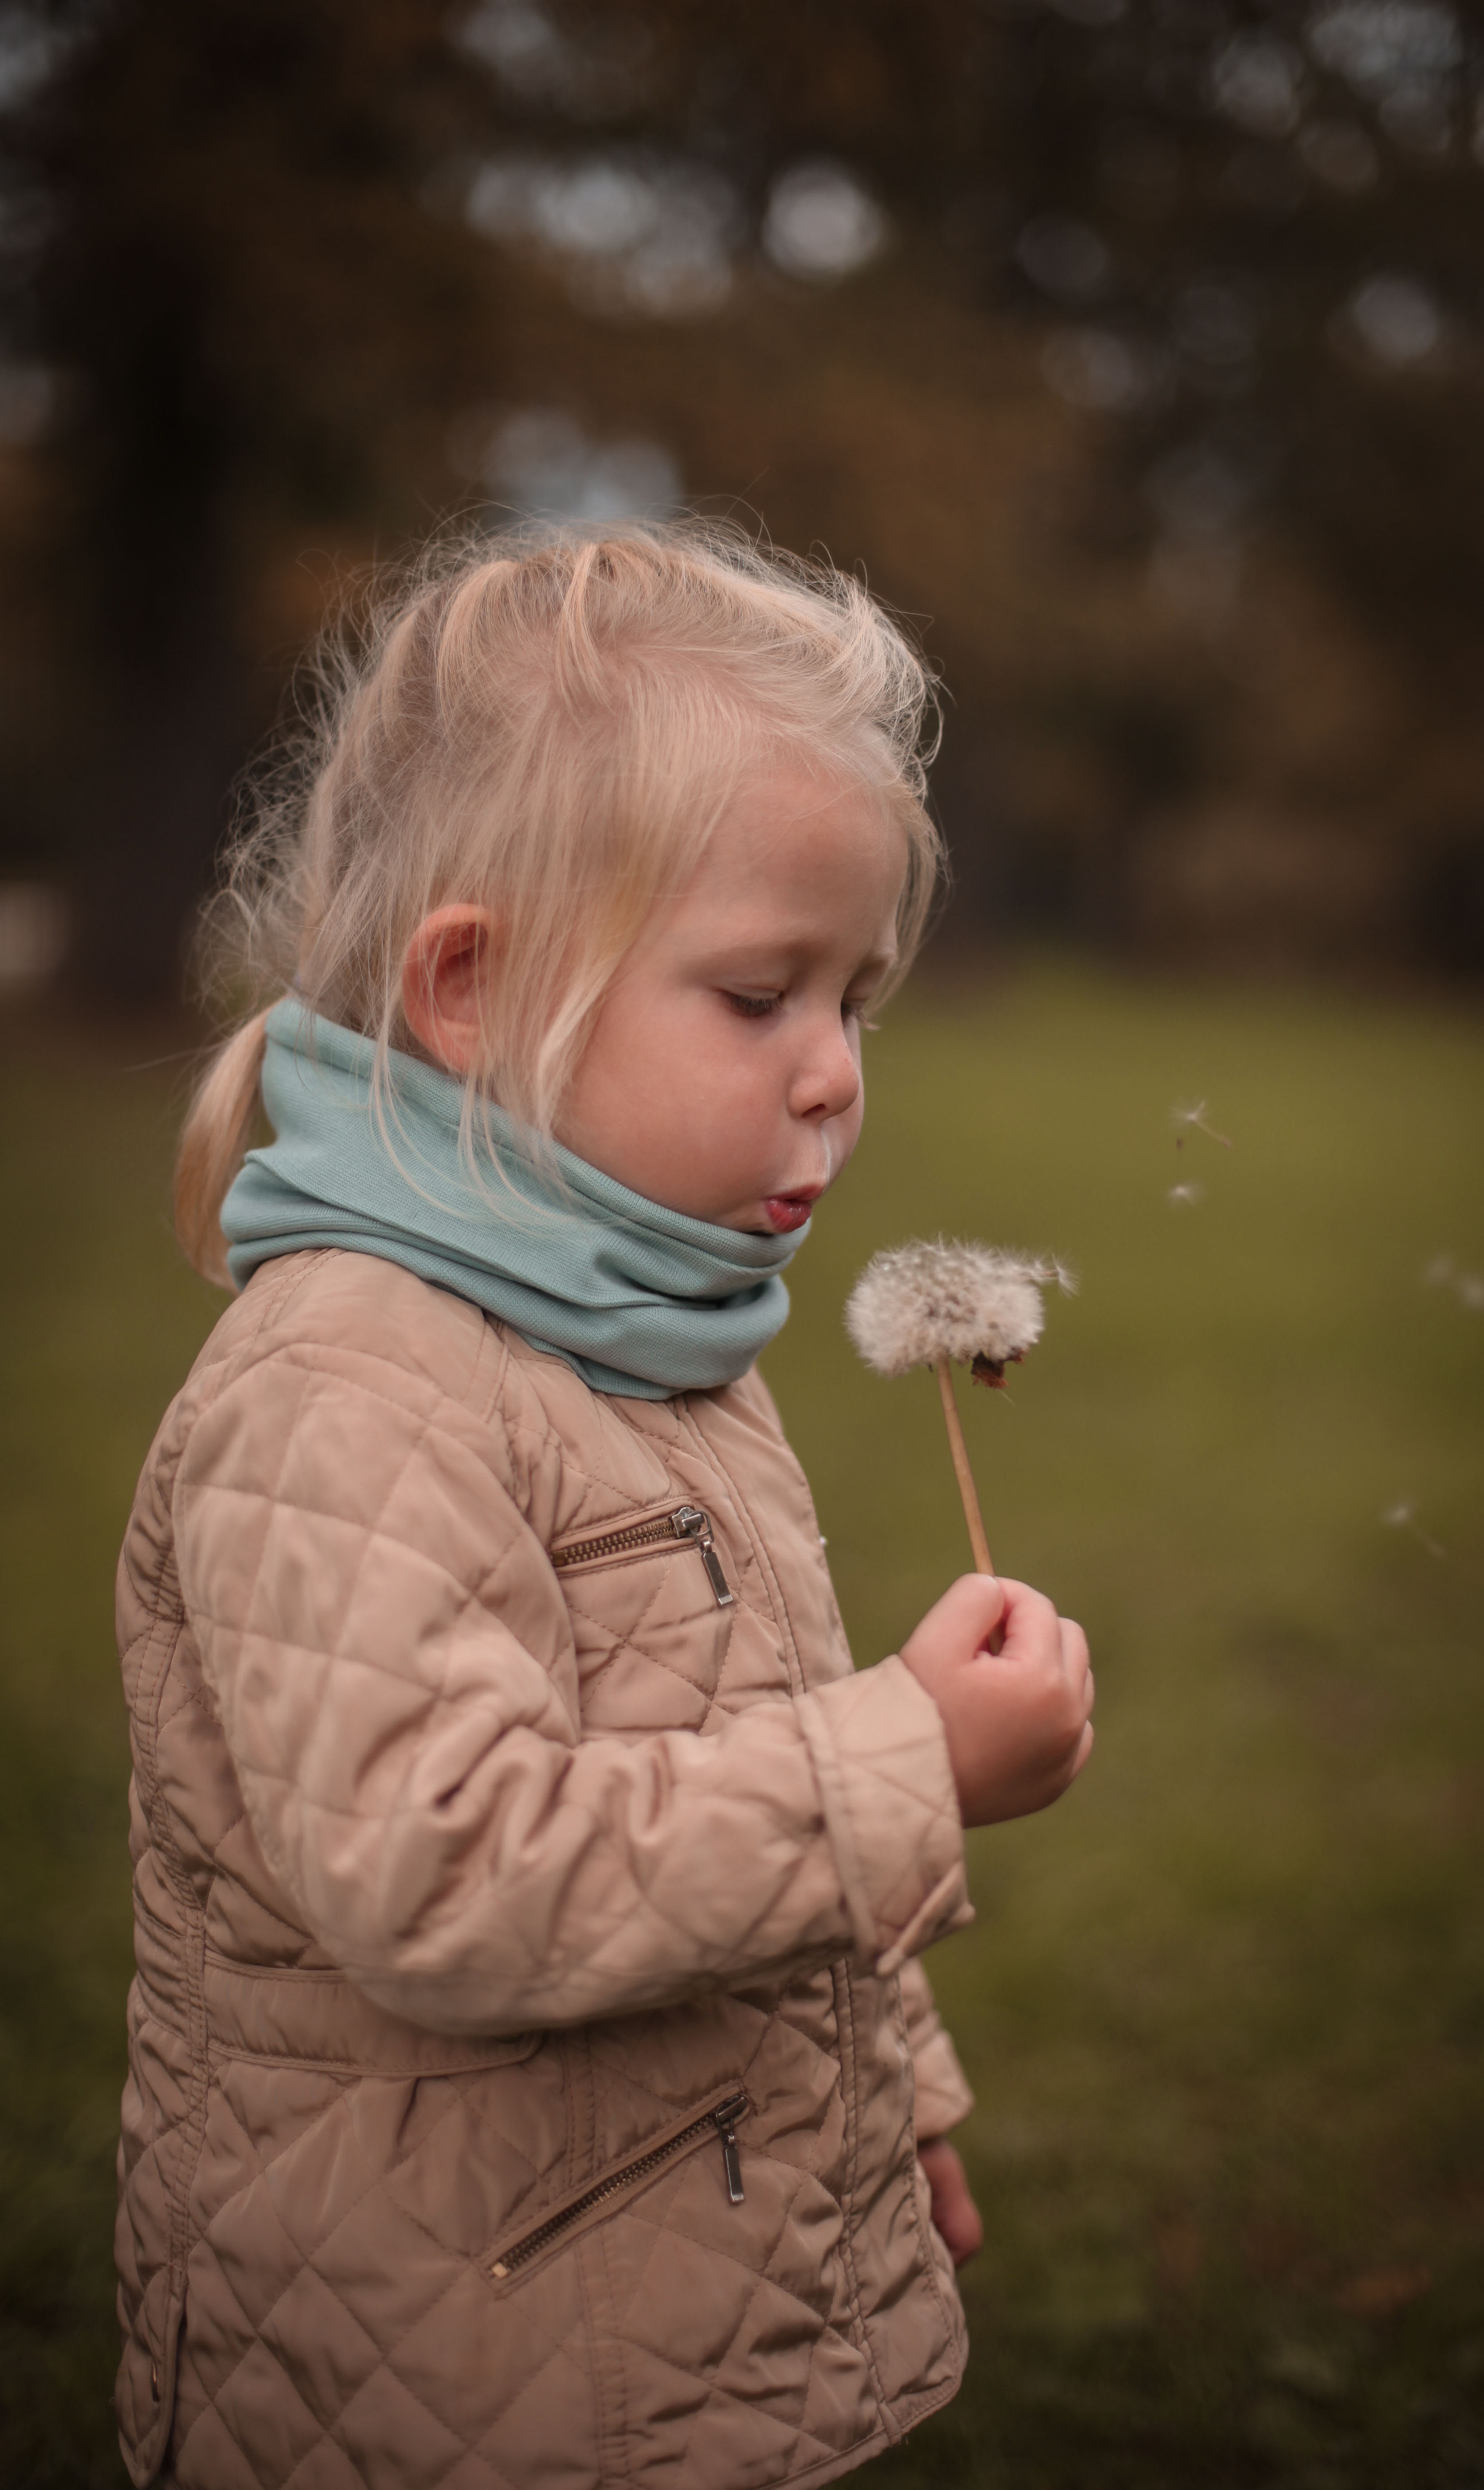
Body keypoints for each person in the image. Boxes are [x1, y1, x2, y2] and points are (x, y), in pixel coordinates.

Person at [114, 525, 1094, 2490]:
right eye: (756, 996)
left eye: (853, 1001)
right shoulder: (345, 1386)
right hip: (447, 2372)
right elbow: (446, 1876)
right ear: (472, 987)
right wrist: (907, 1758)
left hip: (675, 2301)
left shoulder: (654, 1338)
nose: (833, 1077)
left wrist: (894, 2094)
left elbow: (738, 1741)